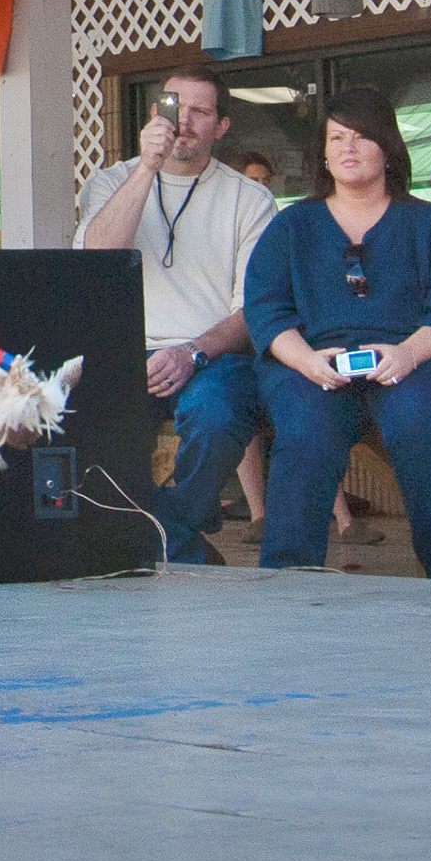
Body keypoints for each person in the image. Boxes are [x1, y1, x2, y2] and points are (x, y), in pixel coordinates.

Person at [244, 87, 431, 580]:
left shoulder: (430, 224)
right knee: (305, 433)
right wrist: (307, 360)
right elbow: (265, 310)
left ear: (387, 147)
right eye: (336, 138)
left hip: (414, 362)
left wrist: (409, 354)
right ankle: (285, 583)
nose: (348, 148)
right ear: (323, 154)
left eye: (361, 137)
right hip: (309, 364)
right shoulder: (291, 227)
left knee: (420, 425)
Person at [74, 67, 274, 564]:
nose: (182, 122)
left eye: (200, 112)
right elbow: (99, 259)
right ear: (151, 116)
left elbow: (252, 309)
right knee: (76, 427)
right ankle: (184, 543)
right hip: (122, 353)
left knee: (217, 414)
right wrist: (146, 167)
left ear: (221, 126)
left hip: (211, 353)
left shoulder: (249, 198)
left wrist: (189, 353)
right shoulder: (110, 183)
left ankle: (173, 528)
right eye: (172, 108)